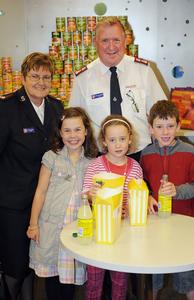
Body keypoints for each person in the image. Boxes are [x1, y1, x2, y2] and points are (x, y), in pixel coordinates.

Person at [0, 52, 64, 300]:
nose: (41, 82)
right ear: (23, 78)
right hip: (13, 203)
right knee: (15, 266)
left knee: (32, 263)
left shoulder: (56, 106)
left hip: (44, 200)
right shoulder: (6, 108)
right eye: (35, 76)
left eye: (46, 77)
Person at [70, 16, 167, 161]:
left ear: (125, 41)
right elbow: (74, 122)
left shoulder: (144, 70)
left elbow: (162, 114)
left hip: (141, 155)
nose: (111, 46)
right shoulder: (83, 78)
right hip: (100, 158)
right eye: (104, 41)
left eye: (116, 40)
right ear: (95, 43)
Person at [27, 107, 98, 300]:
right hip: (50, 227)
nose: (72, 135)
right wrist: (33, 224)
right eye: (67, 130)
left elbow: (96, 197)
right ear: (60, 132)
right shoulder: (52, 157)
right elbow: (40, 192)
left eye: (77, 129)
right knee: (52, 277)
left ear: (86, 131)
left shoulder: (93, 161)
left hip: (77, 228)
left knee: (70, 278)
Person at [82, 115, 143, 300]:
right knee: (94, 281)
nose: (118, 144)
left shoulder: (135, 167)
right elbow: (85, 195)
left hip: (123, 232)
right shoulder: (95, 166)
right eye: (112, 140)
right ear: (104, 142)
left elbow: (137, 197)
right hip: (98, 233)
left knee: (120, 281)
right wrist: (91, 193)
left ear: (130, 139)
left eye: (122, 139)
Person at [140, 100, 194, 299]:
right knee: (152, 278)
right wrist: (147, 197)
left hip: (185, 223)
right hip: (154, 225)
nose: (165, 132)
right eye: (159, 126)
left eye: (170, 126)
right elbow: (141, 184)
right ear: (150, 128)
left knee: (187, 276)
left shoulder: (190, 152)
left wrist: (177, 191)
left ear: (178, 126)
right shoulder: (145, 154)